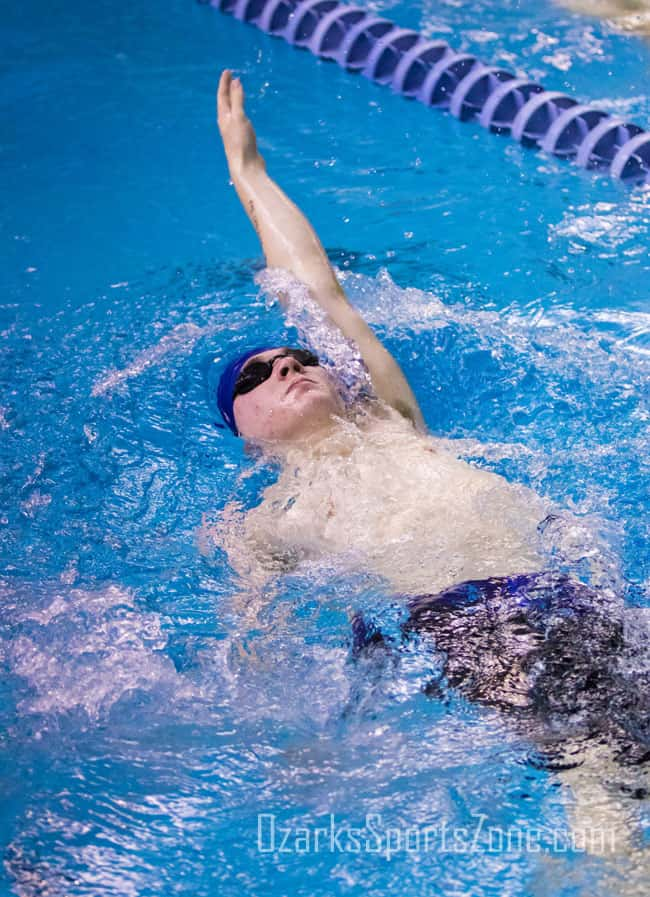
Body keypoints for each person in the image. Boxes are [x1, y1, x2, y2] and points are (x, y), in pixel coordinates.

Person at [211, 70, 649, 852]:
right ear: (246, 436)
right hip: (477, 632)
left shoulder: (391, 422)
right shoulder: (272, 520)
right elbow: (251, 645)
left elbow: (316, 290)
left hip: (580, 600)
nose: (284, 366)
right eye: (255, 376)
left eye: (296, 357)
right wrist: (301, 740)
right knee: (603, 792)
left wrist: (251, 175)